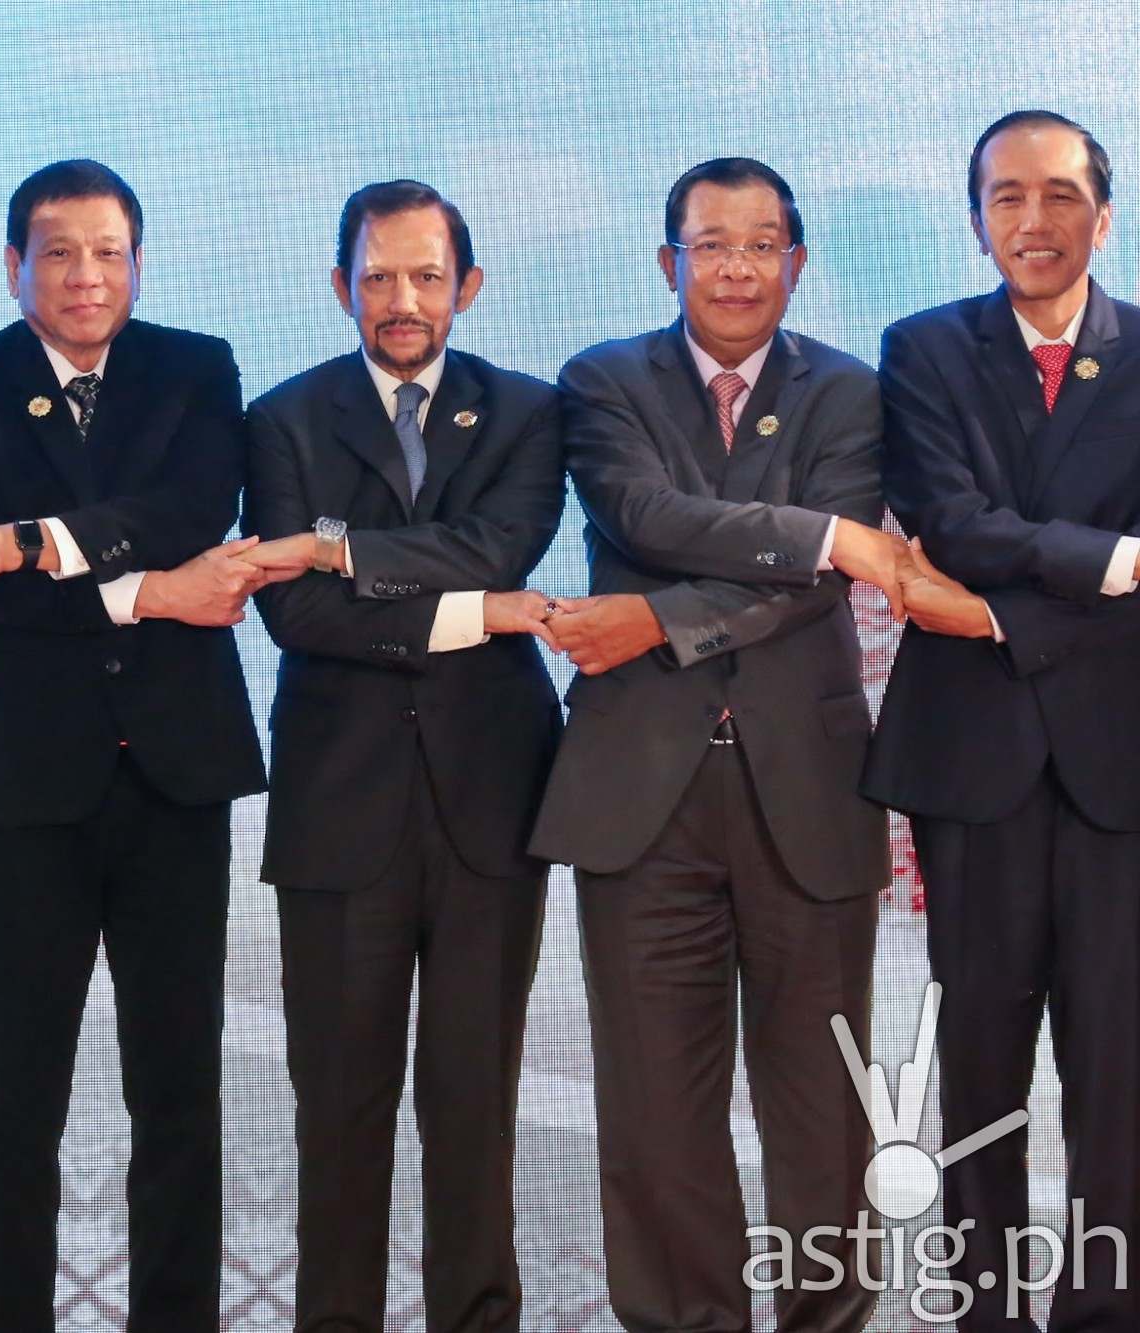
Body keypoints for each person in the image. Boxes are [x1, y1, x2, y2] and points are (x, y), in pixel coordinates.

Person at [529, 157, 903, 1332]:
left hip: (807, 786)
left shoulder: (851, 393)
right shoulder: (599, 382)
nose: (734, 267)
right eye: (709, 244)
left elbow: (802, 595)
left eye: (759, 244)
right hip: (641, 794)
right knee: (652, 1107)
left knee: (819, 1108)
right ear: (666, 261)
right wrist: (824, 535)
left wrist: (650, 616)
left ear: (792, 260)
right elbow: (642, 514)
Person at [0, 159, 269, 1331]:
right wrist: (147, 595)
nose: (84, 275)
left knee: (177, 1091)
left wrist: (27, 541)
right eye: (57, 252)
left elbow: (193, 509)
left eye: (107, 251)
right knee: (14, 1094)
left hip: (174, 774)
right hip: (26, 782)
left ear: (137, 261)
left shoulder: (194, 367)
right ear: (12, 265)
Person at [240, 178, 564, 1331]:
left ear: (465, 287)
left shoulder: (528, 412)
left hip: (491, 802)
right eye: (376, 276)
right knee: (336, 1106)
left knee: (473, 1103)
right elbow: (295, 619)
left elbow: (501, 541)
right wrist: (476, 610)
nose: (401, 298)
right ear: (340, 287)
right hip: (338, 809)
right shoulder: (279, 419)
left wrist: (330, 545)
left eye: (426, 275)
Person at [864, 109, 1140, 1331]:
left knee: (1118, 1067)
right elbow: (949, 521)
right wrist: (1118, 562)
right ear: (975, 214)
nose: (1032, 222)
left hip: (1119, 762)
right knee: (977, 1058)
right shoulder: (921, 350)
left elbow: (978, 567)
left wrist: (988, 614)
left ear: (1103, 210)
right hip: (970, 762)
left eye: (1058, 195)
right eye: (1004, 197)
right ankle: (981, 1307)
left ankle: (1102, 1308)